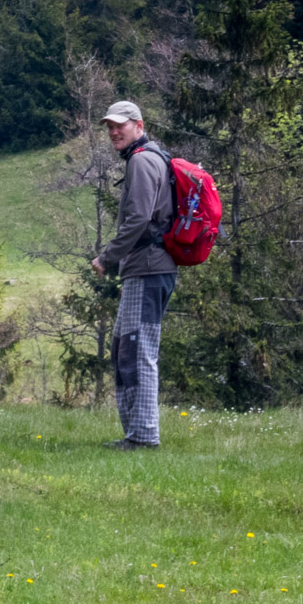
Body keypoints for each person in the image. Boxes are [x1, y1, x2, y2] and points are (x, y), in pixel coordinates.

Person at [89, 100, 176, 450]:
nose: (114, 131)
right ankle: (135, 434)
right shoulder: (146, 159)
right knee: (125, 349)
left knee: (139, 353)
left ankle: (144, 438)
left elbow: (138, 219)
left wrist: (108, 258)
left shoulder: (142, 161)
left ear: (139, 126)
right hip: (142, 271)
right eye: (110, 126)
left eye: (120, 125)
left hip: (151, 268)